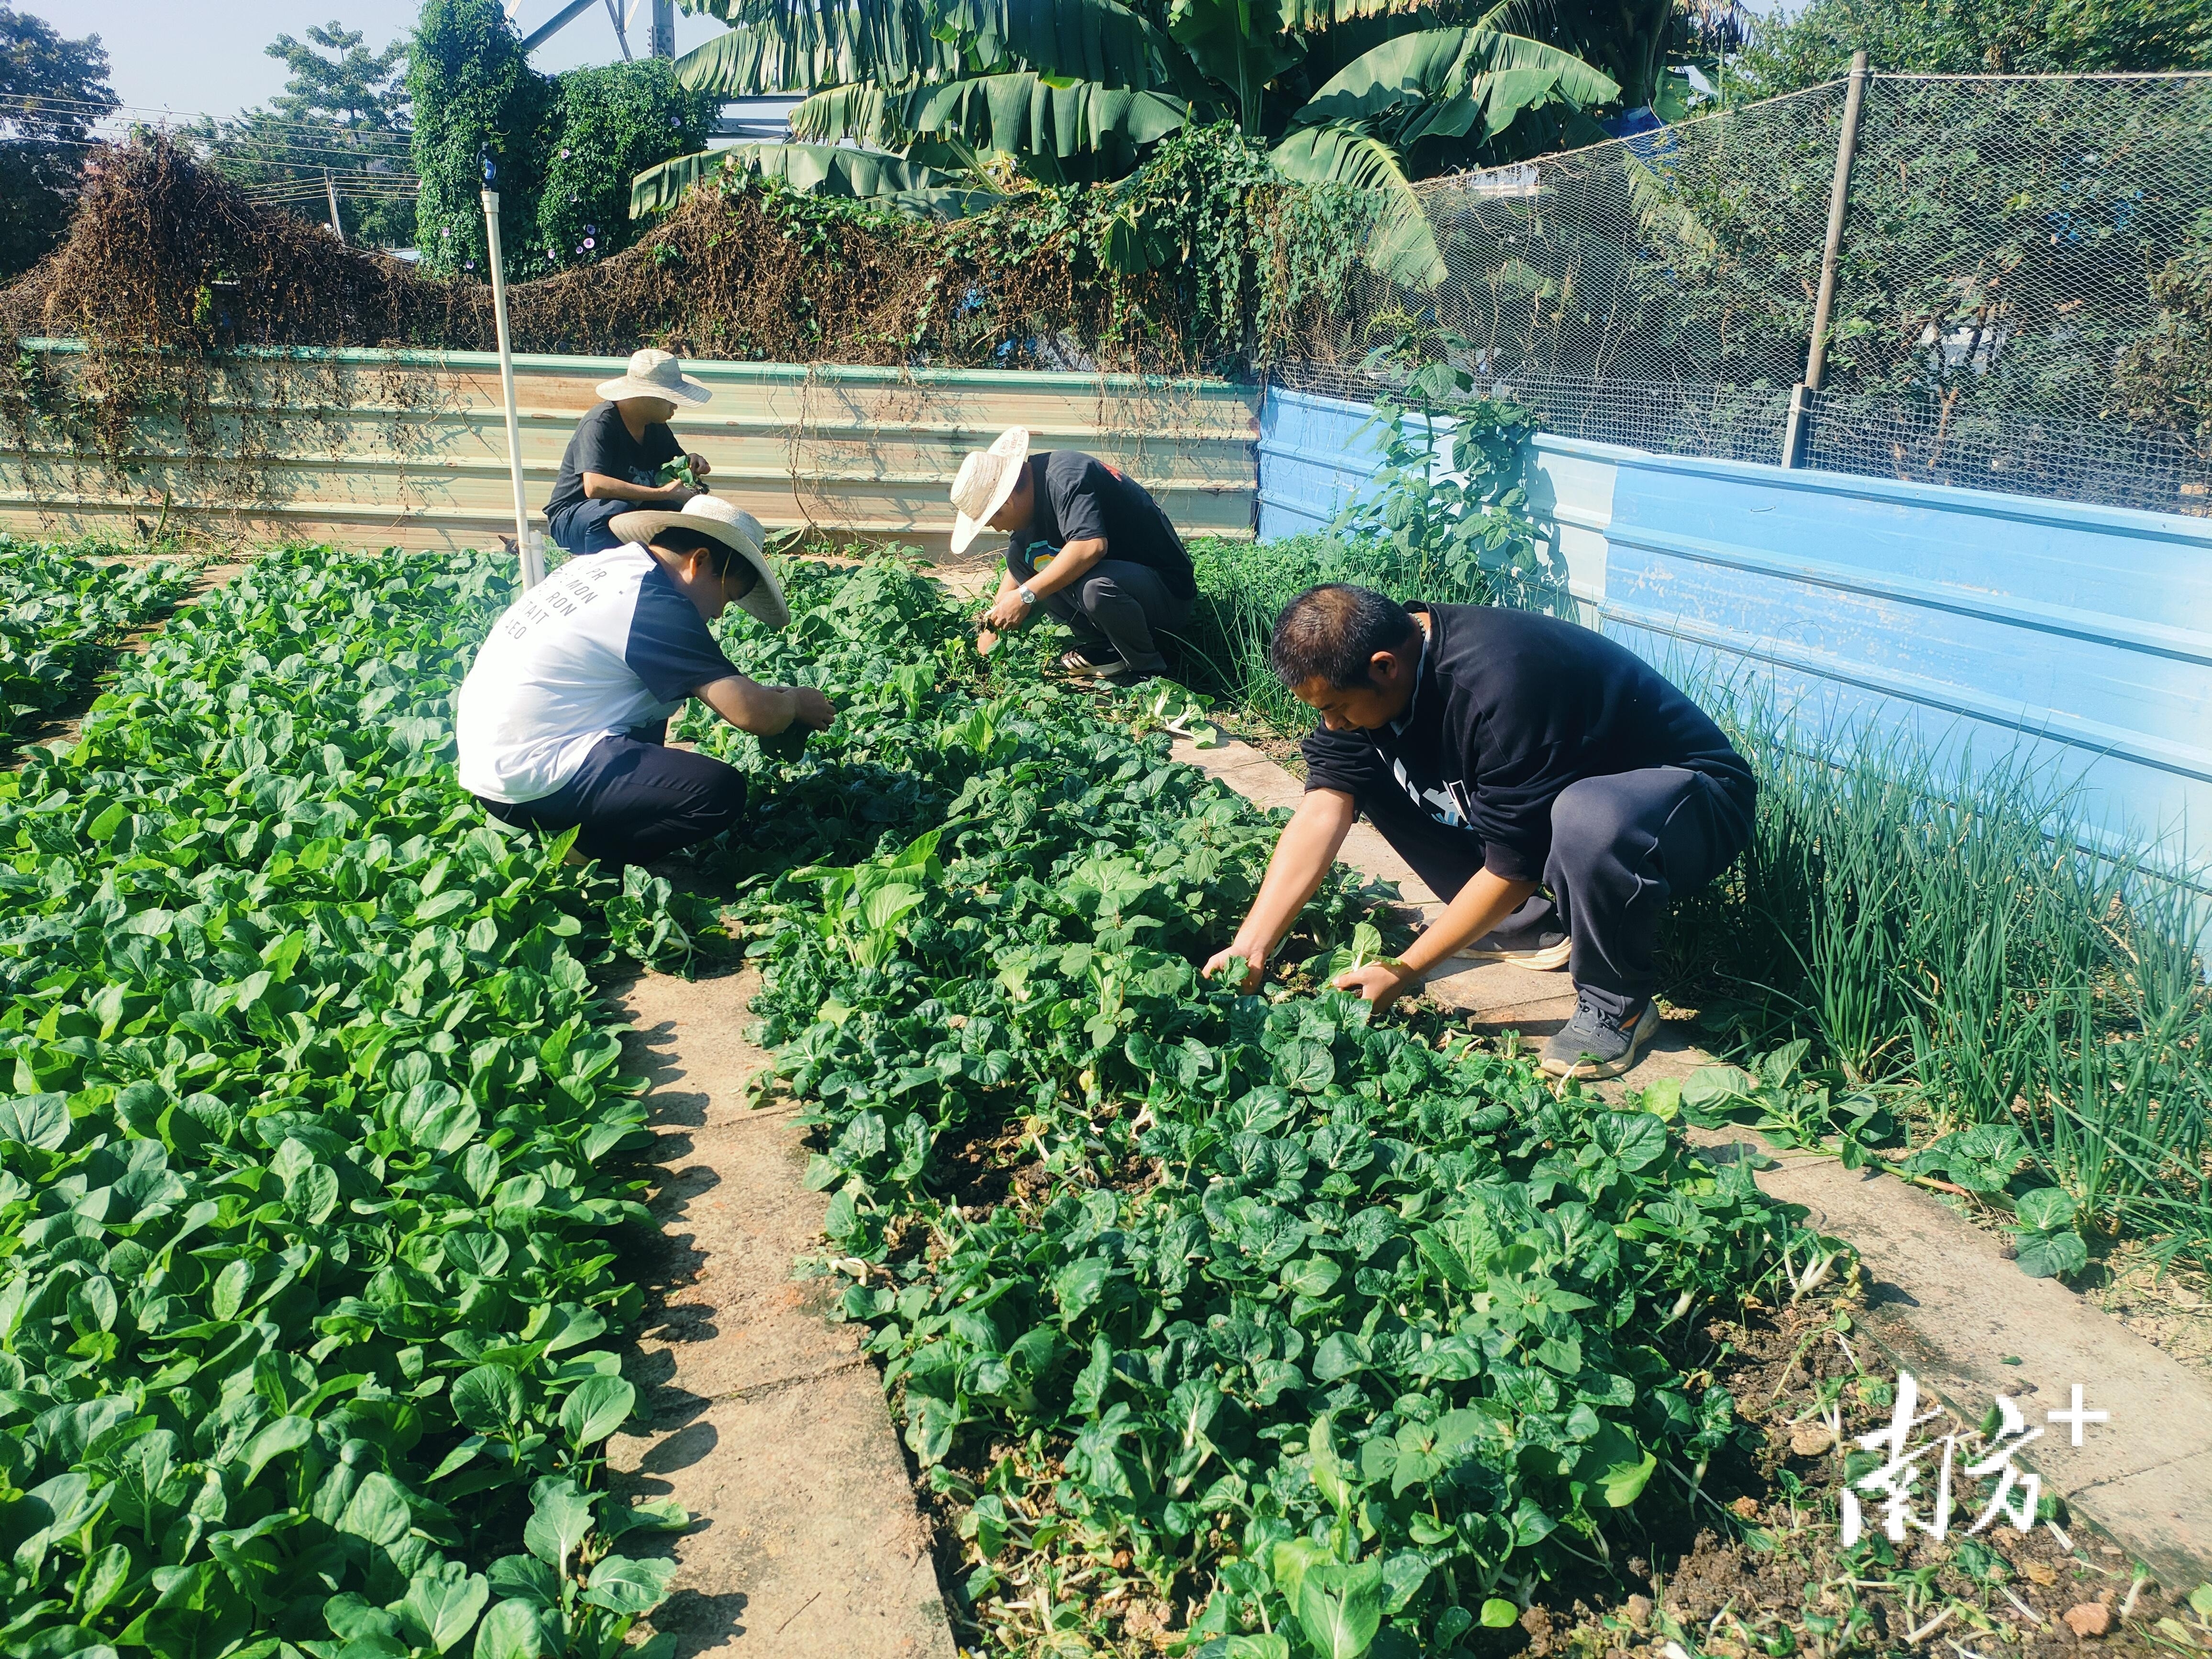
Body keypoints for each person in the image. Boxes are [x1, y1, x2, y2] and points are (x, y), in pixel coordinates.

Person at [1203, 586, 1757, 1079]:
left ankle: (1618, 1004)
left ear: (1383, 667)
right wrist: (1251, 946)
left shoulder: (1501, 685)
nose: (1330, 723)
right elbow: (1325, 807)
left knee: (1587, 818)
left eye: (1336, 707)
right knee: (1368, 772)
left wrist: (1404, 971)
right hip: (1563, 790)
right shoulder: (1377, 669)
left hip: (1687, 803)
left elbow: (1514, 868)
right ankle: (1527, 930)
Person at [455, 495, 835, 868]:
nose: (720, 613)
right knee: (718, 793)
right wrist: (795, 703)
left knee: (658, 699)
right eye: (727, 595)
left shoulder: (604, 568)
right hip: (529, 780)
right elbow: (755, 715)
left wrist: (760, 695)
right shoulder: (652, 604)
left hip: (490, 762)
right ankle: (585, 852)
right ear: (699, 561)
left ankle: (598, 815)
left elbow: (721, 687)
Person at [948, 426, 1195, 683]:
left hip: (1167, 594)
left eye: (992, 522)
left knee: (1095, 587)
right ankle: (1107, 648)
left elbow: (1091, 547)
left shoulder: (1065, 477)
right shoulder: (1033, 490)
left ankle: (1147, 669)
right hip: (1126, 587)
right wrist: (992, 623)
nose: (998, 529)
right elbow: (1019, 562)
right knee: (1020, 558)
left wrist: (1025, 596)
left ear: (1007, 503)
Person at [543, 348, 717, 557]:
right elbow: (595, 486)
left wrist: (691, 463)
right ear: (648, 396)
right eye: (670, 398)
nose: (675, 406)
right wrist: (662, 494)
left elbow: (674, 469)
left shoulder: (656, 428)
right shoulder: (600, 423)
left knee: (678, 515)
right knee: (618, 511)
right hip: (574, 517)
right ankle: (600, 570)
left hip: (629, 509)